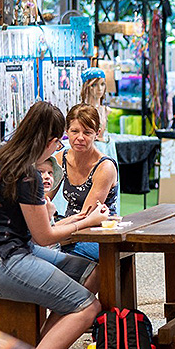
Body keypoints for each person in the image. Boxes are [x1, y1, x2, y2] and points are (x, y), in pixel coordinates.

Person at [0, 101, 108, 349]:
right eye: (62, 137)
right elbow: (45, 236)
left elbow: (38, 223)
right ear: (50, 141)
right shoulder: (29, 174)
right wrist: (87, 222)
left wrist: (83, 219)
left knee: (94, 273)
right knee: (88, 307)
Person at [55, 103, 119, 262]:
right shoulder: (59, 159)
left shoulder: (105, 167)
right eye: (74, 131)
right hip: (70, 228)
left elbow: (86, 216)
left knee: (57, 256)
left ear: (97, 134)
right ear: (67, 132)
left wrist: (51, 233)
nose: (80, 138)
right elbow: (41, 199)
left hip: (98, 232)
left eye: (87, 132)